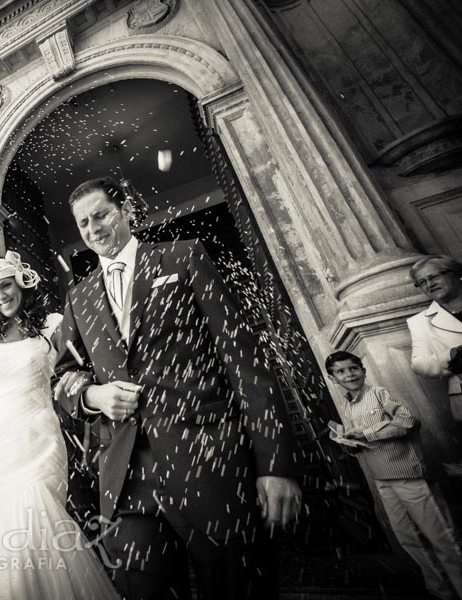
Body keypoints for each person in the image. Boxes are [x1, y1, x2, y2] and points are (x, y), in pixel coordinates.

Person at [53, 177, 302, 600]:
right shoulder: (79, 297)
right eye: (83, 224)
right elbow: (62, 381)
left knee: (238, 589)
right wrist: (93, 397)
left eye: (101, 215)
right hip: (126, 477)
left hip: (209, 462)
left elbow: (244, 362)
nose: (93, 230)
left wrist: (275, 464)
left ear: (125, 210)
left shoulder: (183, 257)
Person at [0, 251, 119, 600]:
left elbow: (78, 369)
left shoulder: (51, 324)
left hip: (37, 438)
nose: (1, 296)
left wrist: (85, 380)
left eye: (5, 286)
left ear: (21, 282)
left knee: (33, 523)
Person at [325, 350, 462, 600]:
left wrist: (367, 433)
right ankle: (441, 591)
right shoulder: (346, 405)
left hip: (408, 475)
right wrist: (349, 443)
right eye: (341, 372)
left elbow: (409, 421)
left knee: (441, 536)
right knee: (409, 539)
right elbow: (362, 442)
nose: (349, 374)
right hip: (382, 478)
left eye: (353, 368)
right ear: (333, 379)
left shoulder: (380, 393)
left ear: (363, 370)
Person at [407, 255, 462, 476]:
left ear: (456, 273)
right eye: (422, 282)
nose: (429, 285)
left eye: (433, 276)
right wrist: (453, 355)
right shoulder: (420, 321)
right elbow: (419, 364)